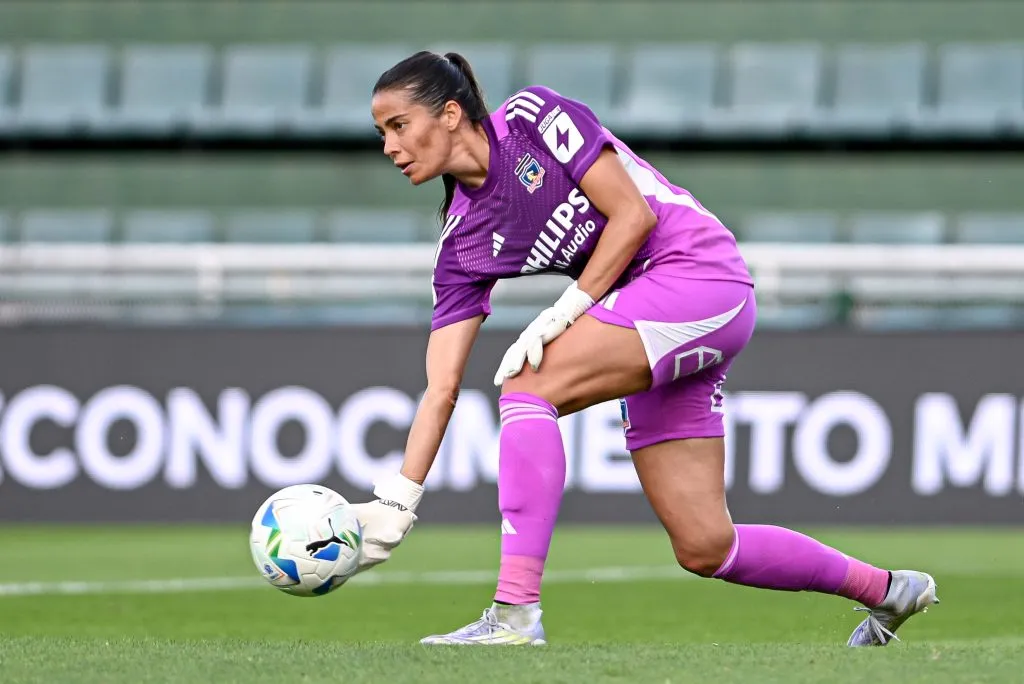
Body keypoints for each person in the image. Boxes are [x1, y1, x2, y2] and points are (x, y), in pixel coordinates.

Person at [347, 50, 938, 647]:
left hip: (700, 276)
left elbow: (632, 217)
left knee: (529, 384)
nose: (390, 146)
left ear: (450, 114)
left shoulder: (532, 116)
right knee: (707, 545)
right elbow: (442, 385)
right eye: (381, 133)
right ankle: (889, 590)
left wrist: (564, 312)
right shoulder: (460, 245)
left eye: (399, 126)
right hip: (652, 314)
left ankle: (514, 614)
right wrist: (398, 501)